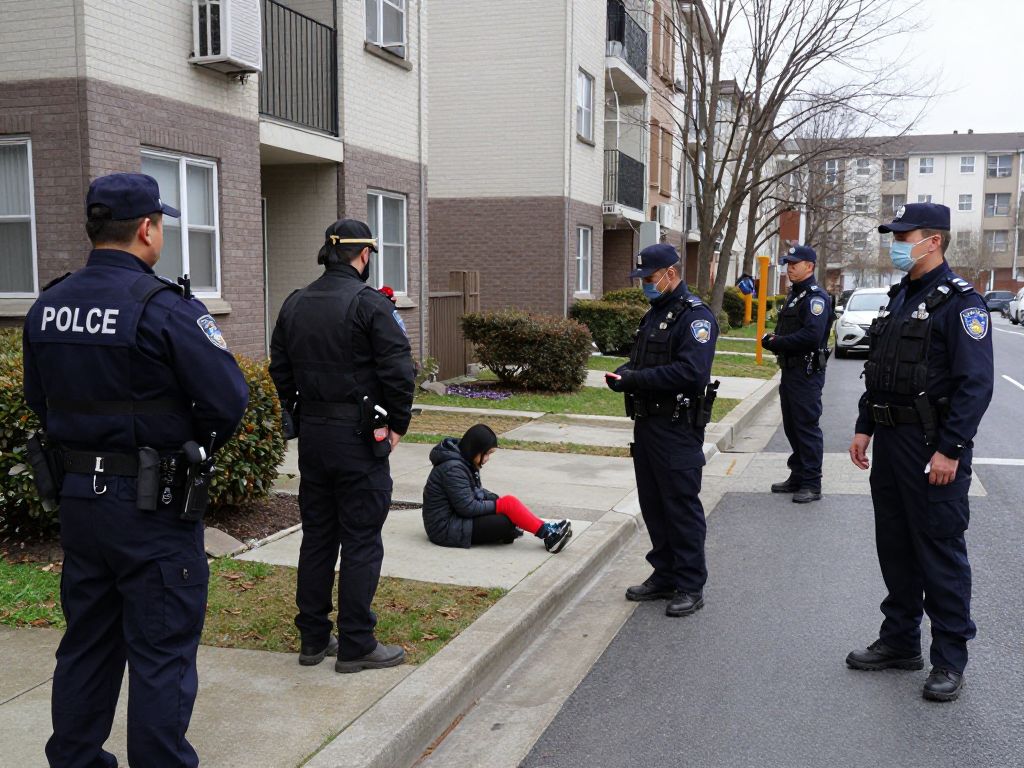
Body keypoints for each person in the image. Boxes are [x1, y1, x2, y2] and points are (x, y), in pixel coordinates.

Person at [22, 173, 249, 768]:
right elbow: (228, 401)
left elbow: (38, 399)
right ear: (147, 229)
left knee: (87, 644)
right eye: (161, 224)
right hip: (151, 506)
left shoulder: (48, 305)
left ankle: (74, 760)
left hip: (79, 502)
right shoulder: (164, 308)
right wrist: (186, 448)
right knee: (161, 652)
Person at [846, 203, 993, 702]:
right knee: (896, 545)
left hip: (934, 447)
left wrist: (951, 450)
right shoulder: (897, 299)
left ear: (933, 241)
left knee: (940, 553)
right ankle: (900, 641)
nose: (896, 242)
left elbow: (975, 385)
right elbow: (880, 370)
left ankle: (949, 659)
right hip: (891, 443)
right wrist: (865, 427)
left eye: (904, 235)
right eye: (896, 235)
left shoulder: (961, 303)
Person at [269, 218, 416, 673]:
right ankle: (356, 643)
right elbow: (399, 371)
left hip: (314, 440)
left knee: (317, 538)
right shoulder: (370, 305)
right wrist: (398, 426)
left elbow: (280, 368)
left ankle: (313, 639)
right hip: (358, 440)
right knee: (360, 541)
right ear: (364, 255)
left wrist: (297, 419)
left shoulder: (294, 303)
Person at [605, 243, 718, 617]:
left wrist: (636, 379)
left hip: (677, 426)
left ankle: (689, 583)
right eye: (642, 280)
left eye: (650, 279)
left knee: (680, 506)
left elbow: (692, 372)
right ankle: (665, 573)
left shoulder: (694, 317)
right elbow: (646, 361)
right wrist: (625, 373)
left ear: (671, 273)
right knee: (654, 503)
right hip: (648, 425)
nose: (646, 286)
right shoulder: (656, 313)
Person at [421, 424, 573, 551]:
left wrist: (494, 499)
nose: (487, 459)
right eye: (486, 454)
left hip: (456, 518)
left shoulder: (462, 461)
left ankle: (546, 529)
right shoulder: (453, 468)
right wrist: (500, 505)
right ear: (475, 449)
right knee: (506, 520)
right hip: (444, 528)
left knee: (509, 511)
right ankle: (548, 534)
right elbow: (466, 507)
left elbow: (471, 492)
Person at [761, 245, 833, 503]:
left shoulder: (815, 297)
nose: (789, 267)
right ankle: (799, 475)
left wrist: (776, 341)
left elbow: (811, 336)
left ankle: (812, 483)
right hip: (791, 370)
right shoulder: (795, 295)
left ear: (809, 266)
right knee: (792, 425)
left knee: (806, 426)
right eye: (788, 263)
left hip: (806, 371)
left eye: (795, 263)